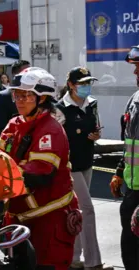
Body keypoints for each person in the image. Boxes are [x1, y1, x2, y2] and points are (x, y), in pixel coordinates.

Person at [0, 67, 81, 270]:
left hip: (49, 222)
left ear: (42, 99)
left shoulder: (51, 129)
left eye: (26, 96)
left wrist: (3, 172)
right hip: (20, 220)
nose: (20, 100)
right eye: (17, 95)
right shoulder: (14, 124)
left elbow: (39, 174)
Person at [55, 67, 113, 270]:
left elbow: (95, 125)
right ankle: (93, 262)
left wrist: (95, 135)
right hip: (70, 166)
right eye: (82, 83)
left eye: (89, 83)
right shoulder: (60, 108)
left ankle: (73, 259)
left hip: (87, 161)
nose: (87, 87)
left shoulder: (92, 104)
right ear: (71, 85)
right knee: (87, 210)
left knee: (76, 210)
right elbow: (56, 136)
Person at [113, 45, 139, 270]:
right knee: (130, 249)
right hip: (133, 190)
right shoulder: (135, 99)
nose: (135, 73)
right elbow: (130, 145)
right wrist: (120, 171)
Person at [0, 60, 30, 137]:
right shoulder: (4, 96)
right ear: (15, 74)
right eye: (25, 72)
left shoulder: (35, 95)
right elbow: (0, 128)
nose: (29, 75)